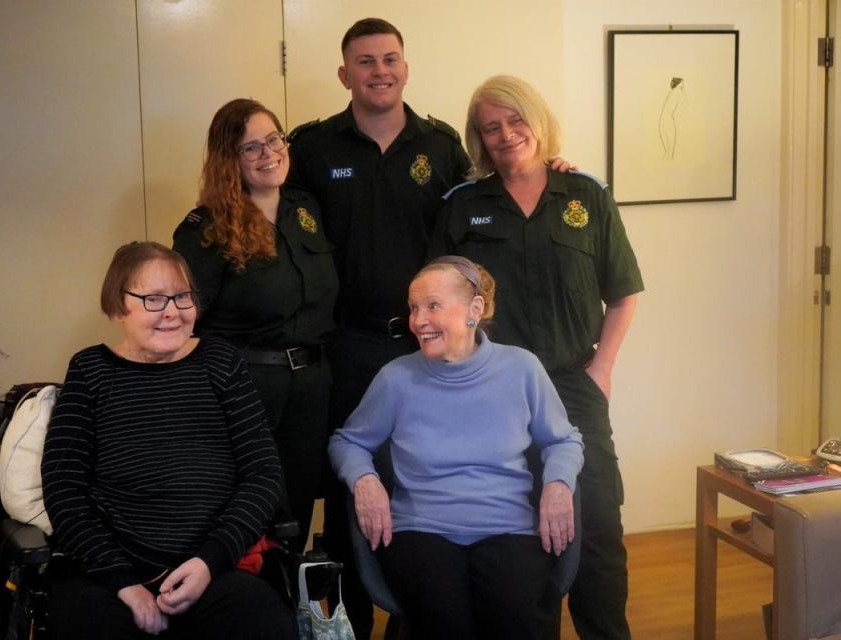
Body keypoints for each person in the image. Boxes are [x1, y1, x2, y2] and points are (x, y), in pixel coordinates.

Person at [430, 75, 643, 640]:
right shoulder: (461, 205)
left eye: (515, 120)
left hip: (574, 385)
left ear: (537, 120)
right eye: (491, 127)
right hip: (490, 393)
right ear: (479, 139)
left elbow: (624, 292)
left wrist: (602, 370)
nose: (506, 134)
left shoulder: (586, 195)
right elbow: (437, 303)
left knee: (595, 528)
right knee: (521, 534)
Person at [286, 18, 471, 637]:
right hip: (349, 346)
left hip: (428, 348)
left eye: (390, 58)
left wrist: (555, 165)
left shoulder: (442, 147)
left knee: (423, 484)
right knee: (350, 495)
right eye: (365, 62)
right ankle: (349, 625)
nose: (380, 71)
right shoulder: (312, 149)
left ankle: (415, 621)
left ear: (406, 67)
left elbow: (486, 210)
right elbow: (266, 211)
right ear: (345, 75)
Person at [41, 241, 295, 640]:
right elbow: (63, 489)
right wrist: (123, 583)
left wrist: (210, 561)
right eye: (154, 299)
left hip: (212, 567)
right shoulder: (90, 371)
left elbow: (262, 475)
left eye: (182, 297)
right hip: (112, 574)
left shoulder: (221, 363)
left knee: (262, 621)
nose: (173, 311)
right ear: (117, 306)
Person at [328, 256, 584, 640]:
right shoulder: (397, 378)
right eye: (414, 308)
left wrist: (558, 484)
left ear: (474, 310)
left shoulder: (522, 369)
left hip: (507, 526)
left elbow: (564, 440)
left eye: (432, 306)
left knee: (518, 619)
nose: (418, 321)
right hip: (423, 529)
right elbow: (347, 441)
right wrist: (365, 480)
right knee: (446, 624)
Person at [173, 98, 338, 552]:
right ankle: (253, 612)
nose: (269, 154)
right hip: (245, 387)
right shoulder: (205, 228)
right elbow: (182, 321)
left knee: (299, 509)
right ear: (230, 160)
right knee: (250, 512)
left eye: (273, 139)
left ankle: (290, 614)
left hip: (311, 385)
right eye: (251, 148)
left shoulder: (307, 208)